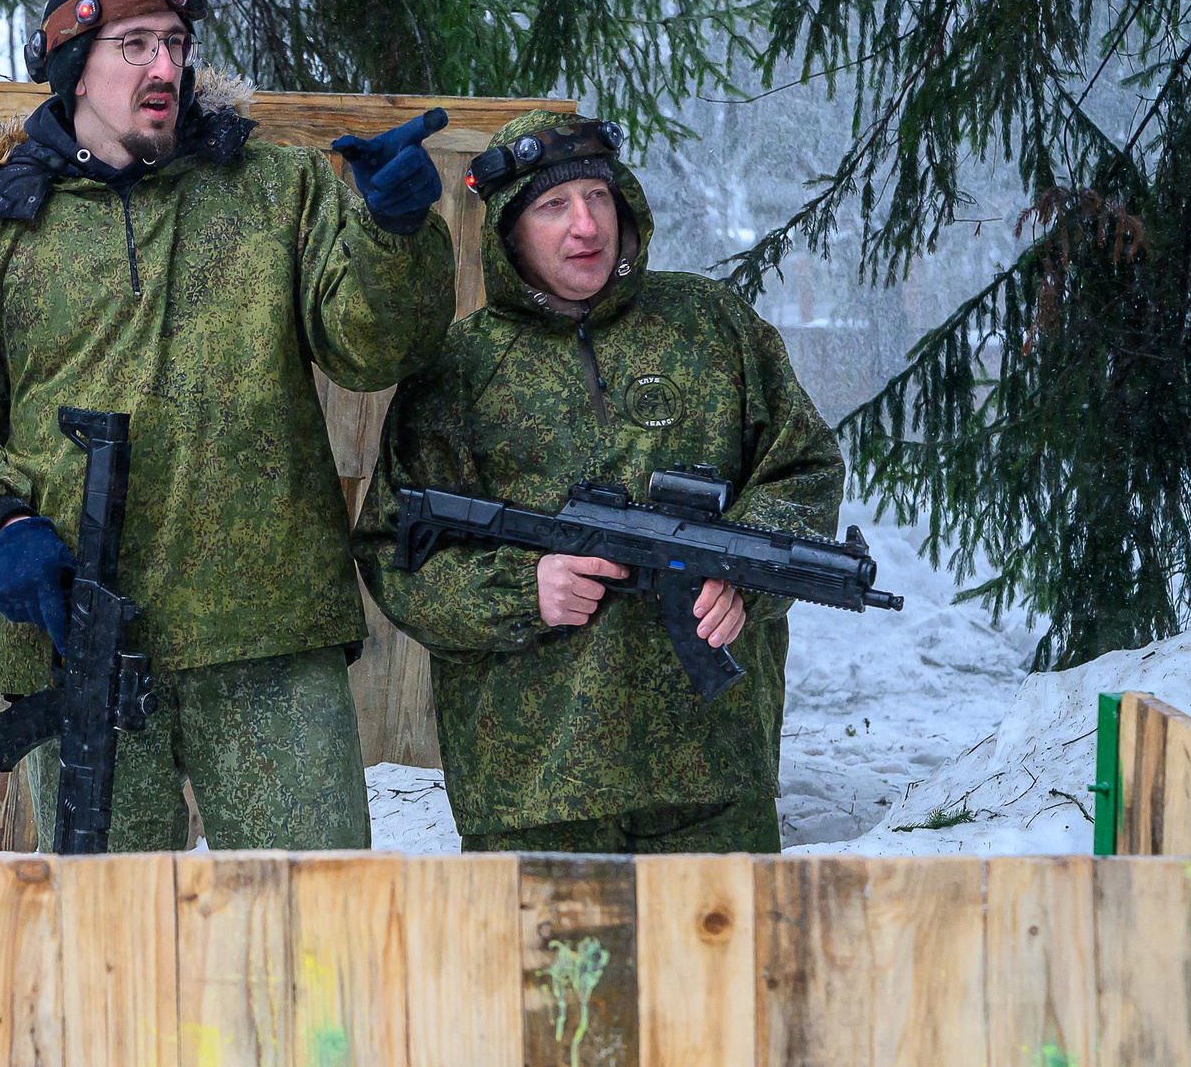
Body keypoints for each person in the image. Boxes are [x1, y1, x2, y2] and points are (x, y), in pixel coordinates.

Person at [0, 0, 457, 851]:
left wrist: (394, 235)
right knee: (112, 950)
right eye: (135, 45)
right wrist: (1, 525)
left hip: (269, 639)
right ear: (75, 66)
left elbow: (375, 351)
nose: (164, 67)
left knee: (307, 934)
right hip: (83, 645)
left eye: (177, 45)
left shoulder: (277, 192)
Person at [356, 111, 845, 853]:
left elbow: (803, 465)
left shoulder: (710, 327)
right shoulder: (457, 372)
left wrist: (747, 578)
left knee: (723, 970)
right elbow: (395, 550)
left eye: (598, 196)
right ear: (508, 230)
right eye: (554, 205)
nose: (585, 224)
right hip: (530, 792)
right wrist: (527, 589)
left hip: (712, 781)